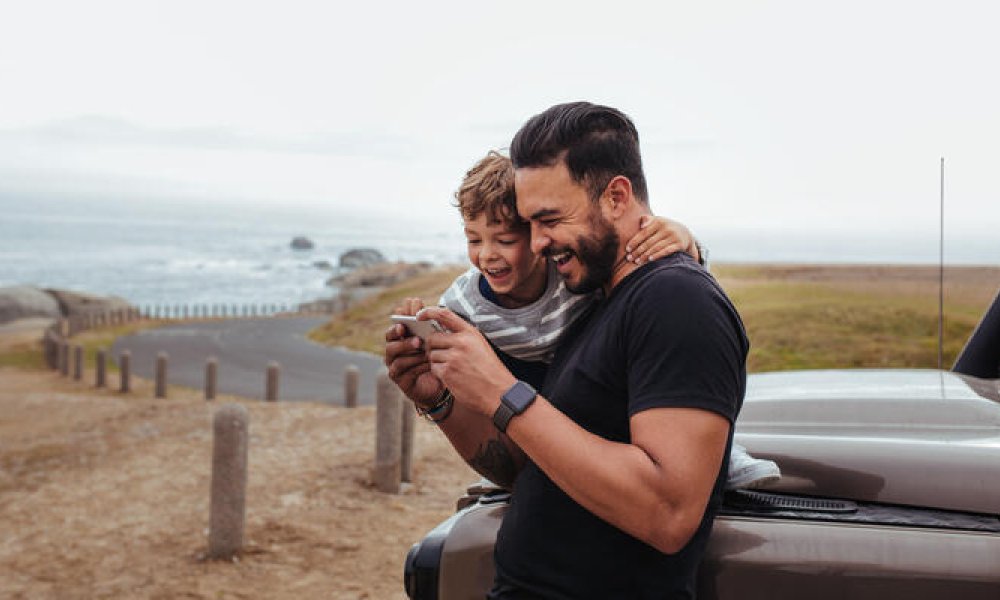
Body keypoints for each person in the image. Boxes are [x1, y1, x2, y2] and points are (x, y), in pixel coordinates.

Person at [385, 102, 750, 598]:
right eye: (529, 224)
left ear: (617, 196)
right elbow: (529, 469)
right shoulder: (595, 300)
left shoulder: (676, 300)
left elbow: (667, 513)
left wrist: (501, 390)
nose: (536, 244)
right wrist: (440, 401)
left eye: (549, 219)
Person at [396, 149, 777, 489]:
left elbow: (655, 274)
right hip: (529, 398)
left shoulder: (571, 276)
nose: (487, 255)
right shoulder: (463, 303)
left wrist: (686, 241)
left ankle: (721, 459)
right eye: (474, 240)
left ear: (537, 232)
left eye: (505, 241)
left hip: (596, 396)